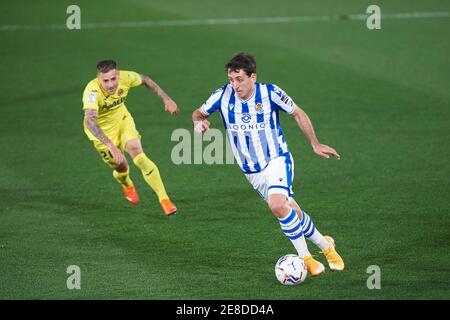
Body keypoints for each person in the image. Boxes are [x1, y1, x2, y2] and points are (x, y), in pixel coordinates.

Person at [191, 52, 344, 276]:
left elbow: (297, 113)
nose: (234, 85)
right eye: (231, 80)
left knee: (277, 206)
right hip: (251, 171)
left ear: (253, 77)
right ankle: (326, 246)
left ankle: (306, 259)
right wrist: (199, 123)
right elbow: (198, 113)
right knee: (292, 211)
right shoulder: (221, 97)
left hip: (276, 158)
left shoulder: (270, 93)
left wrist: (315, 143)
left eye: (240, 79)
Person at [82, 60, 178, 216]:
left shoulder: (126, 77)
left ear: (118, 75)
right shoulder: (91, 93)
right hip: (102, 135)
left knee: (138, 155)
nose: (111, 84)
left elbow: (145, 79)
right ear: (98, 79)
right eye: (105, 80)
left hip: (123, 122)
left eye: (113, 79)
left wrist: (166, 99)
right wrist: (111, 146)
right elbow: (90, 121)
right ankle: (127, 183)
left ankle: (164, 200)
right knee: (121, 166)